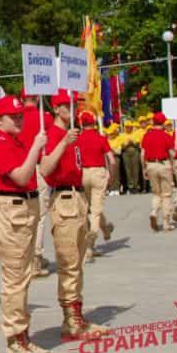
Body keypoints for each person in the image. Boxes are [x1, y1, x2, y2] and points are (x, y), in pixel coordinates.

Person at [0, 95, 53, 353]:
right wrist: (36, 147)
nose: (19, 119)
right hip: (11, 209)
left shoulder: (15, 142)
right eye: (13, 116)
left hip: (24, 207)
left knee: (23, 276)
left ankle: (23, 336)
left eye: (21, 115)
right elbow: (22, 176)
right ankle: (15, 340)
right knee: (15, 279)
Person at [42, 93, 109, 342]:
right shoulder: (53, 135)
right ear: (59, 109)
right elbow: (46, 169)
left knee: (78, 263)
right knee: (69, 262)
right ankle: (71, 319)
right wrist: (63, 143)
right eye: (72, 106)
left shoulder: (75, 134)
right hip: (64, 199)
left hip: (77, 196)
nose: (77, 109)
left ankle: (76, 314)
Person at [18, 89, 53, 279]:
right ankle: (36, 259)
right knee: (39, 215)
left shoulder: (16, 117)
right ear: (38, 98)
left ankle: (27, 256)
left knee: (25, 215)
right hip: (38, 168)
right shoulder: (44, 118)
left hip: (20, 168)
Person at [76, 111, 115, 260]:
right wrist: (111, 176)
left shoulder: (78, 139)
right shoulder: (100, 138)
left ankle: (105, 229)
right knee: (96, 210)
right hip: (98, 171)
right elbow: (111, 159)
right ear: (93, 123)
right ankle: (90, 242)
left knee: (89, 208)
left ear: (81, 124)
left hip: (83, 173)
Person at [141, 112, 175, 232]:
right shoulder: (166, 136)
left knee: (156, 193)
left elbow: (143, 154)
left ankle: (154, 211)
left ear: (153, 122)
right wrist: (173, 166)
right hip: (163, 164)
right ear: (163, 123)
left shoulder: (147, 136)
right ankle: (166, 222)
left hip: (150, 164)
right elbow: (171, 153)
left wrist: (144, 168)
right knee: (166, 194)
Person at [118, 120, 143, 195]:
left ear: (132, 127)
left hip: (135, 152)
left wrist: (133, 143)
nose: (128, 128)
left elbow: (138, 145)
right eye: (127, 127)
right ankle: (130, 186)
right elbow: (121, 147)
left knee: (135, 169)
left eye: (129, 127)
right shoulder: (121, 135)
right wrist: (127, 144)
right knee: (128, 170)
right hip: (126, 153)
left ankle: (136, 185)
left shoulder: (136, 134)